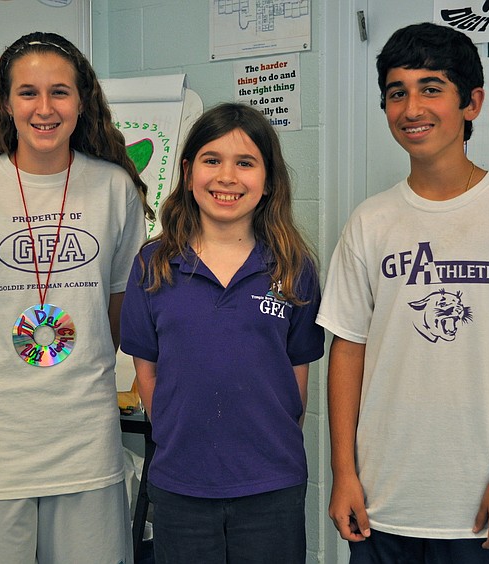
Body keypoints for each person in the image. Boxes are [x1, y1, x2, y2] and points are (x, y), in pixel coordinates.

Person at [316, 22, 489, 564]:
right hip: (383, 503)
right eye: (396, 93)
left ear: (472, 103)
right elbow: (347, 350)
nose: (412, 107)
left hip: (483, 508)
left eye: (431, 88)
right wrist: (344, 473)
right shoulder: (370, 221)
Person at [0, 31, 150, 564]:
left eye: (60, 92)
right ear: (5, 102)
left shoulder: (115, 188)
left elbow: (122, 317)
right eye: (28, 92)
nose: (44, 109)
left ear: (83, 100)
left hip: (85, 439)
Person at [119, 102, 324, 564]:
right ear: (189, 171)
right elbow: (147, 376)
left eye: (245, 163)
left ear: (268, 180)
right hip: (181, 484)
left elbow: (297, 382)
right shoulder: (153, 266)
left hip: (271, 484)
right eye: (212, 160)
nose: (227, 177)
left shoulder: (293, 268)